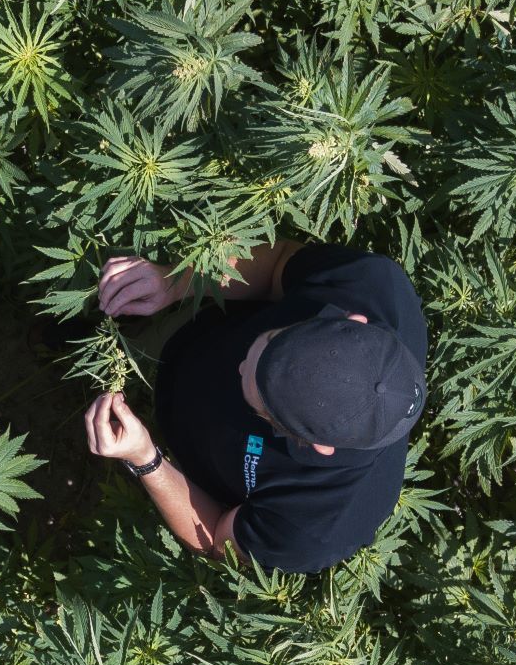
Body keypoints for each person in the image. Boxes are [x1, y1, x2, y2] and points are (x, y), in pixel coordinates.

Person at [83, 242, 427, 573]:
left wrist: (146, 459)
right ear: (352, 321)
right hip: (194, 324)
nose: (241, 366)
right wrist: (177, 281)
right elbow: (277, 263)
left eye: (260, 403)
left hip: (179, 465)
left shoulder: (315, 527)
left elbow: (217, 539)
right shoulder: (373, 285)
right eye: (274, 338)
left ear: (316, 446)